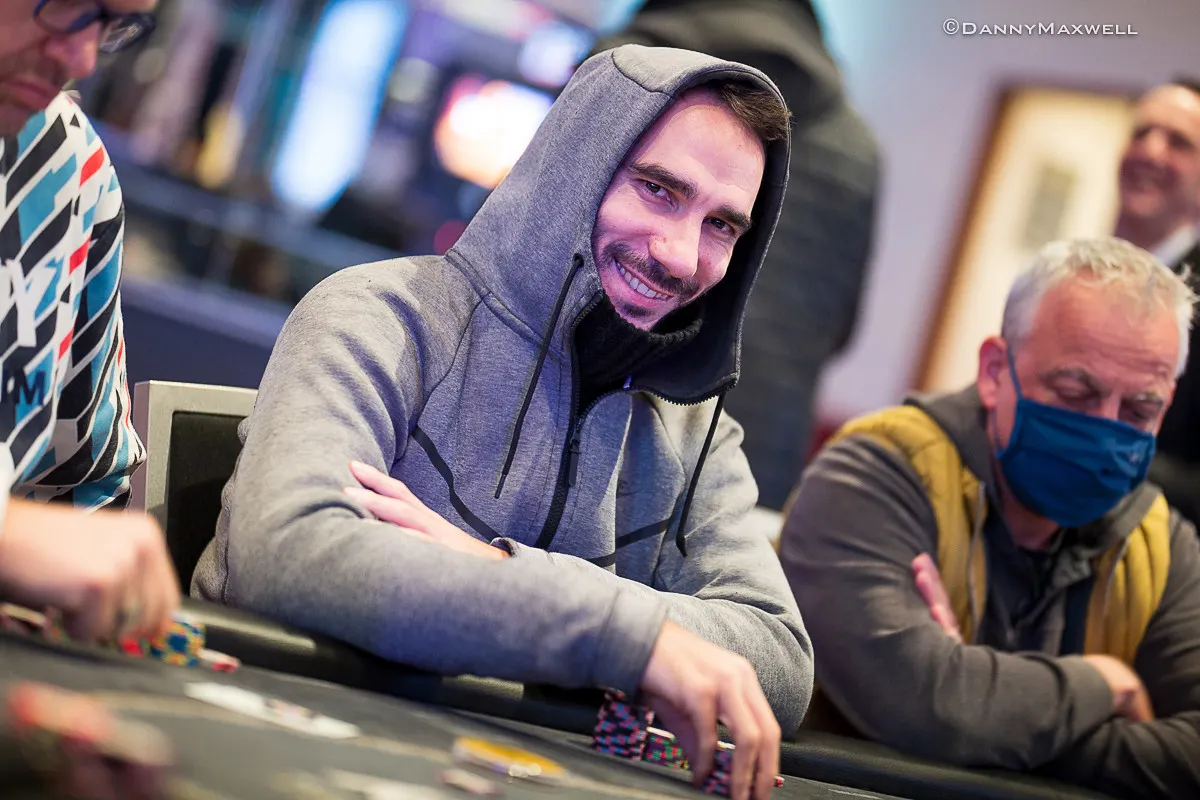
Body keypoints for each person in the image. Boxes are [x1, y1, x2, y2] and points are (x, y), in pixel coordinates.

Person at [194, 45, 811, 800]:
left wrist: (500, 569)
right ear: (573, 170)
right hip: (268, 754)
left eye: (721, 225)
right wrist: (629, 640)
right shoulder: (376, 315)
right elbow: (289, 555)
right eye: (657, 190)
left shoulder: (693, 428)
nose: (681, 256)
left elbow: (779, 662)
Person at [780, 238, 1200, 799]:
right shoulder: (874, 475)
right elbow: (924, 704)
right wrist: (1105, 685)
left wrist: (990, 717)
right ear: (996, 371)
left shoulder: (1158, 544)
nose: (1105, 428)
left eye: (1140, 409)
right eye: (1076, 392)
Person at [594, 0, 880, 509]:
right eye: (657, 190)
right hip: (760, 453)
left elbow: (534, 224)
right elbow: (843, 328)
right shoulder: (857, 149)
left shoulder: (628, 68)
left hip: (612, 424)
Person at [0, 0, 178, 643]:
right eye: (67, 4)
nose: (80, 58)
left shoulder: (69, 164)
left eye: (109, 24)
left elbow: (82, 477)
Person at [1114, 78, 1200, 526]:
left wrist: (1095, 446)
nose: (1150, 151)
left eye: (1178, 142)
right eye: (1140, 133)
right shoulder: (1080, 275)